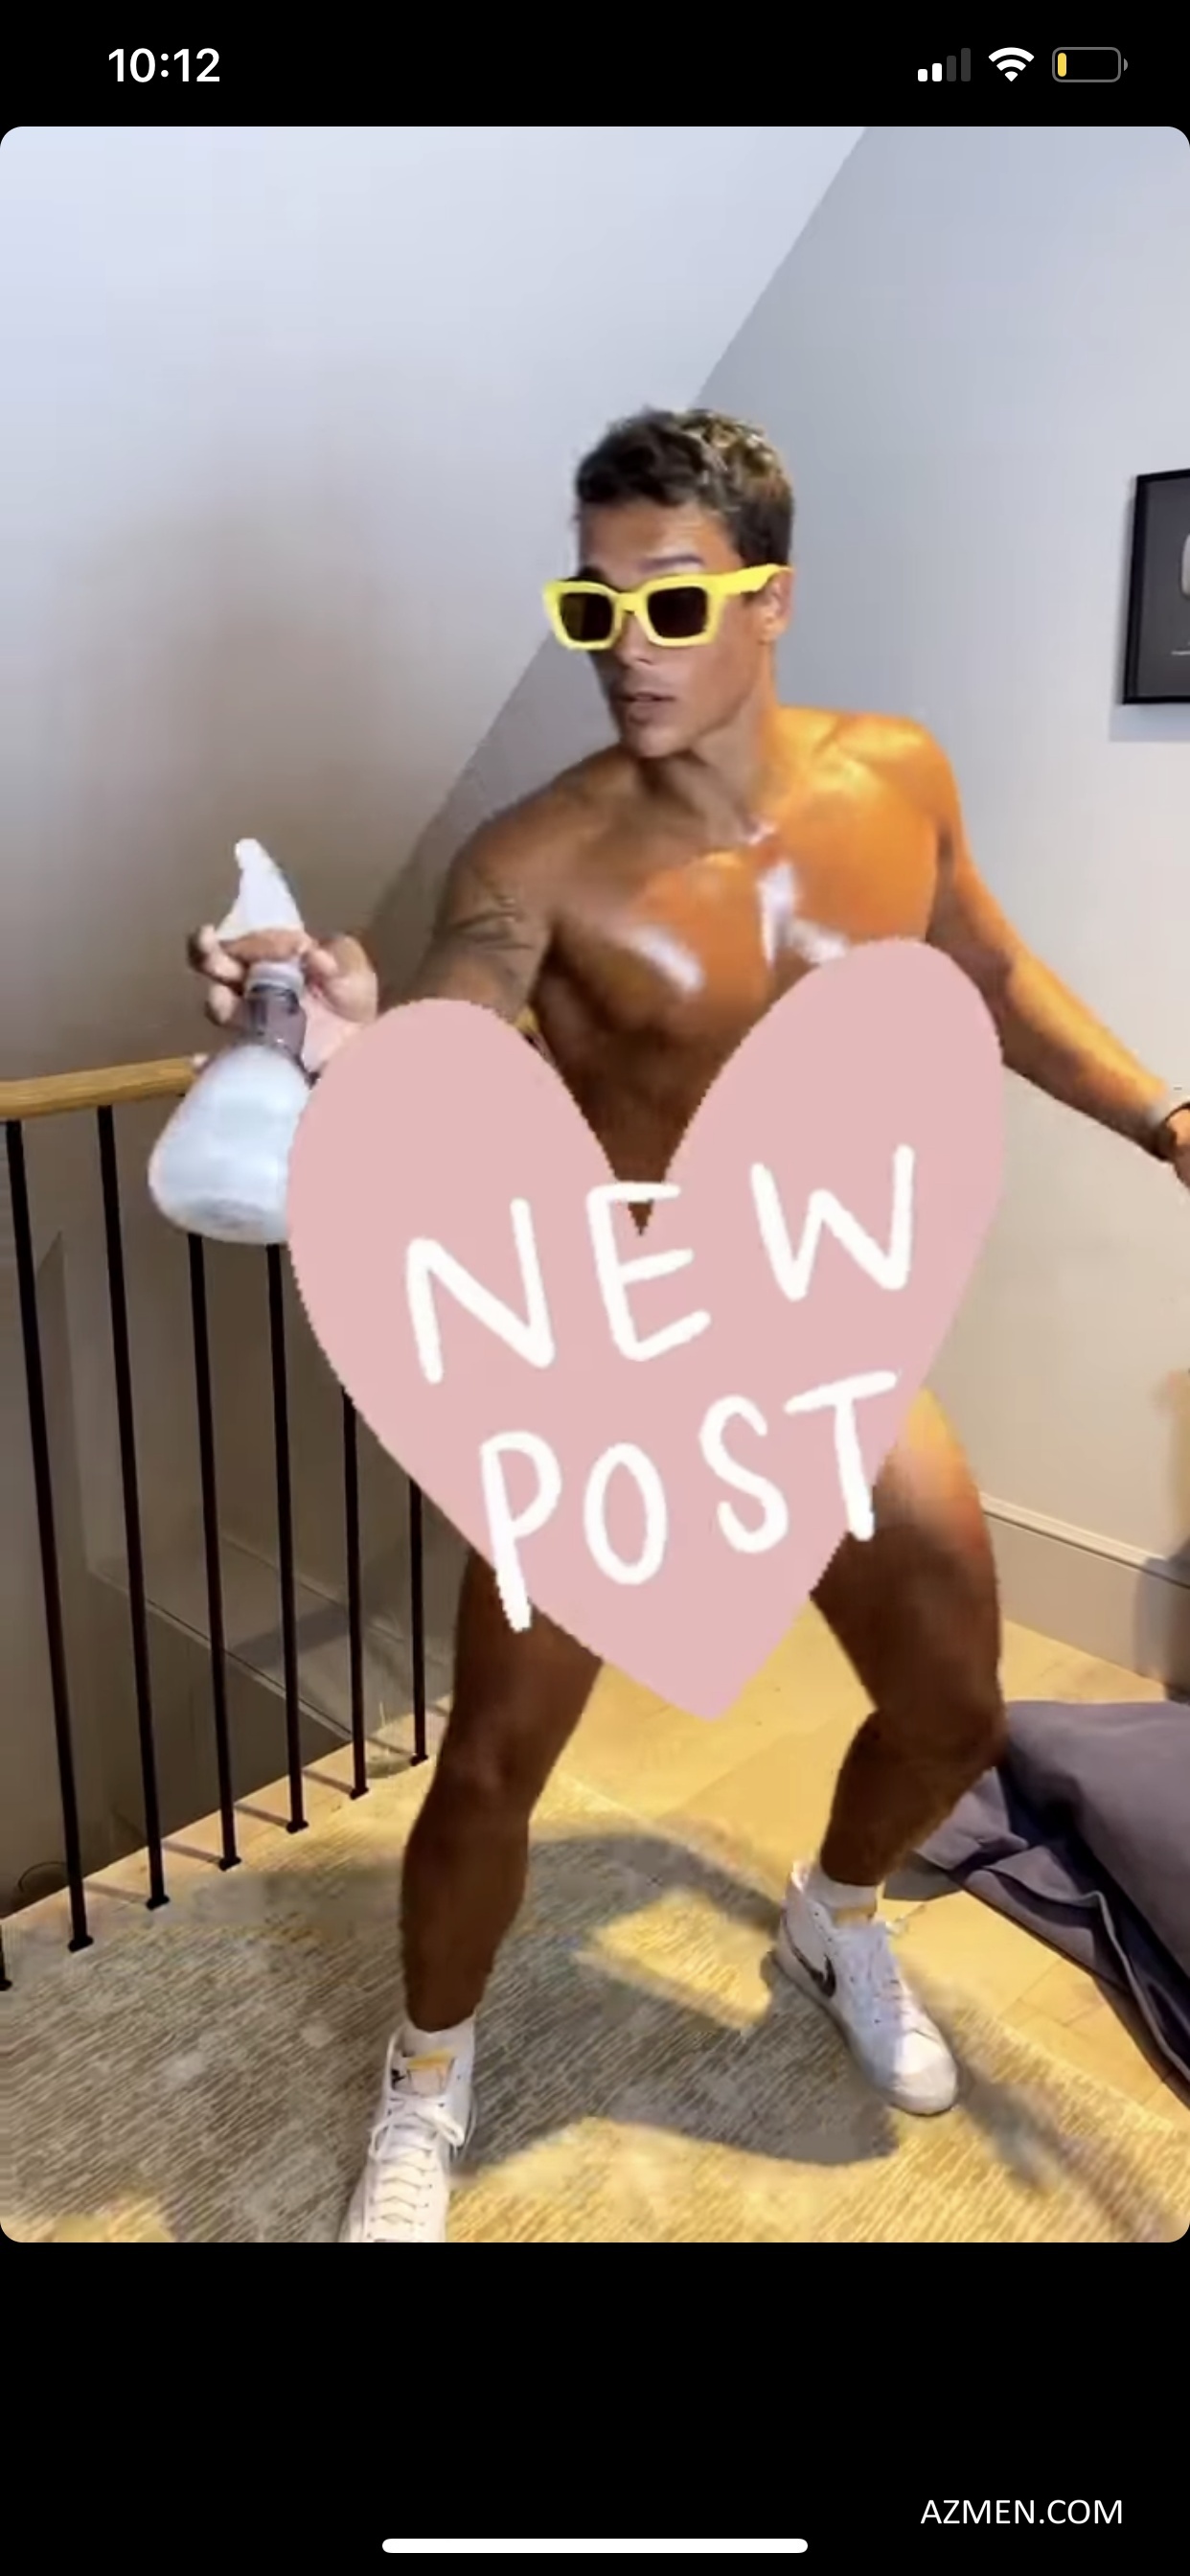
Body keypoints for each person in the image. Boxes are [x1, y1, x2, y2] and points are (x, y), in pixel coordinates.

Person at [191, 409, 1190, 2244]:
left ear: (769, 599)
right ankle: (427, 2075)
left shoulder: (897, 776)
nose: (625, 644)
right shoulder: (532, 858)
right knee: (494, 1764)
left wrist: (1163, 1117)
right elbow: (452, 1041)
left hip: (819, 1329)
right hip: (607, 1348)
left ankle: (834, 1915)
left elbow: (985, 974)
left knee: (953, 1710)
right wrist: (338, 1031)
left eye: (668, 598)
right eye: (592, 604)